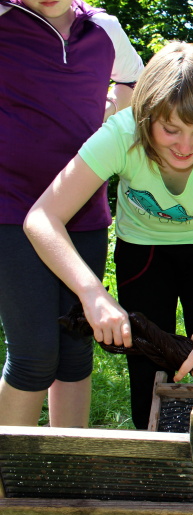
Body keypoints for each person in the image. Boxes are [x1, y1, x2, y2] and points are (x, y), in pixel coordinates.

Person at [24, 42, 193, 430]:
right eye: (170, 129)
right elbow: (42, 218)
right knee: (145, 368)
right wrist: (92, 293)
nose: (184, 146)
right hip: (142, 251)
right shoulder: (121, 135)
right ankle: (152, 448)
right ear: (146, 115)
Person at [0, 0, 143, 427]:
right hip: (10, 207)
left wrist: (109, 111)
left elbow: (135, 82)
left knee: (76, 345)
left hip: (83, 210)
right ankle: (12, 471)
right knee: (34, 355)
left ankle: (68, 461)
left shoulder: (104, 28)